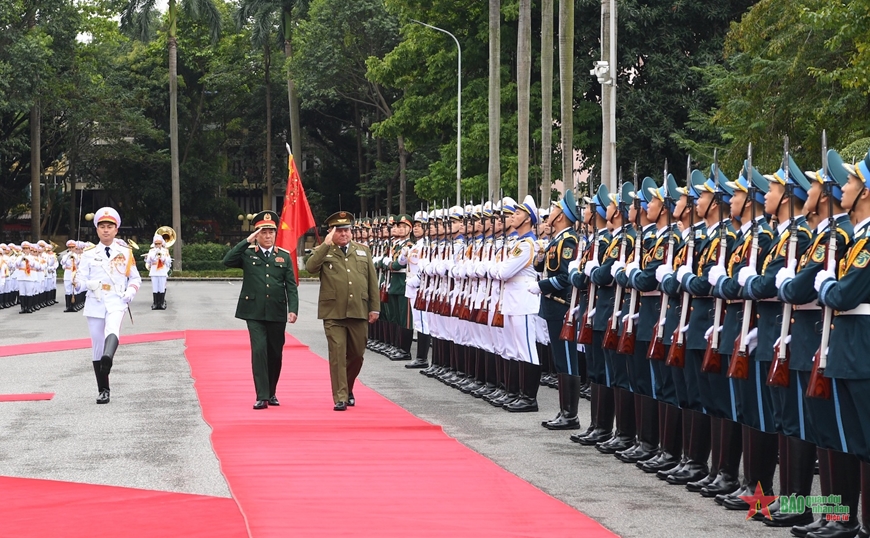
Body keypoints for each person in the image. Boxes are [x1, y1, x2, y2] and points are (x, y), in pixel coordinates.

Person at [223, 210, 299, 410]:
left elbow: (290, 285)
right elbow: (227, 261)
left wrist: (294, 309)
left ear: (275, 234)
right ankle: (261, 395)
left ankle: (272, 391)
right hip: (254, 311)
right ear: (257, 234)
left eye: (270, 232)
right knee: (258, 351)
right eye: (263, 232)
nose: (267, 236)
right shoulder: (248, 254)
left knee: (275, 353)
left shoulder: (283, 256)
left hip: (276, 311)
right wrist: (246, 241)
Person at [305, 211, 380, 411]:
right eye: (339, 230)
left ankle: (348, 387)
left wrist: (375, 308)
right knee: (338, 354)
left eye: (347, 230)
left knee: (357, 354)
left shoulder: (363, 251)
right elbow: (310, 267)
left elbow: (372, 281)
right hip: (333, 312)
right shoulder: (324, 250)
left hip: (358, 310)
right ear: (331, 232)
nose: (344, 234)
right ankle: (340, 397)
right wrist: (326, 244)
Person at [79, 207, 142, 404]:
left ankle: (108, 357)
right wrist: (88, 284)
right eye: (102, 226)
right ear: (97, 230)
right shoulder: (88, 253)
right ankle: (103, 389)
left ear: (116, 230)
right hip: (95, 301)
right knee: (97, 344)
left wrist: (130, 292)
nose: (106, 230)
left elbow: (135, 278)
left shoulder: (125, 252)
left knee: (113, 328)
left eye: (110, 226)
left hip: (117, 299)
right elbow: (79, 281)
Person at [145, 234, 172, 310]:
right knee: (155, 288)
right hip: (154, 272)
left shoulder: (165, 251)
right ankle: (155, 303)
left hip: (162, 271)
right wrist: (155, 255)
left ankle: (162, 303)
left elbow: (168, 261)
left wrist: (162, 257)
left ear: (162, 243)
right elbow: (148, 260)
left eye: (159, 243)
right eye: (156, 244)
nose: (157, 245)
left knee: (162, 287)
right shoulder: (151, 251)